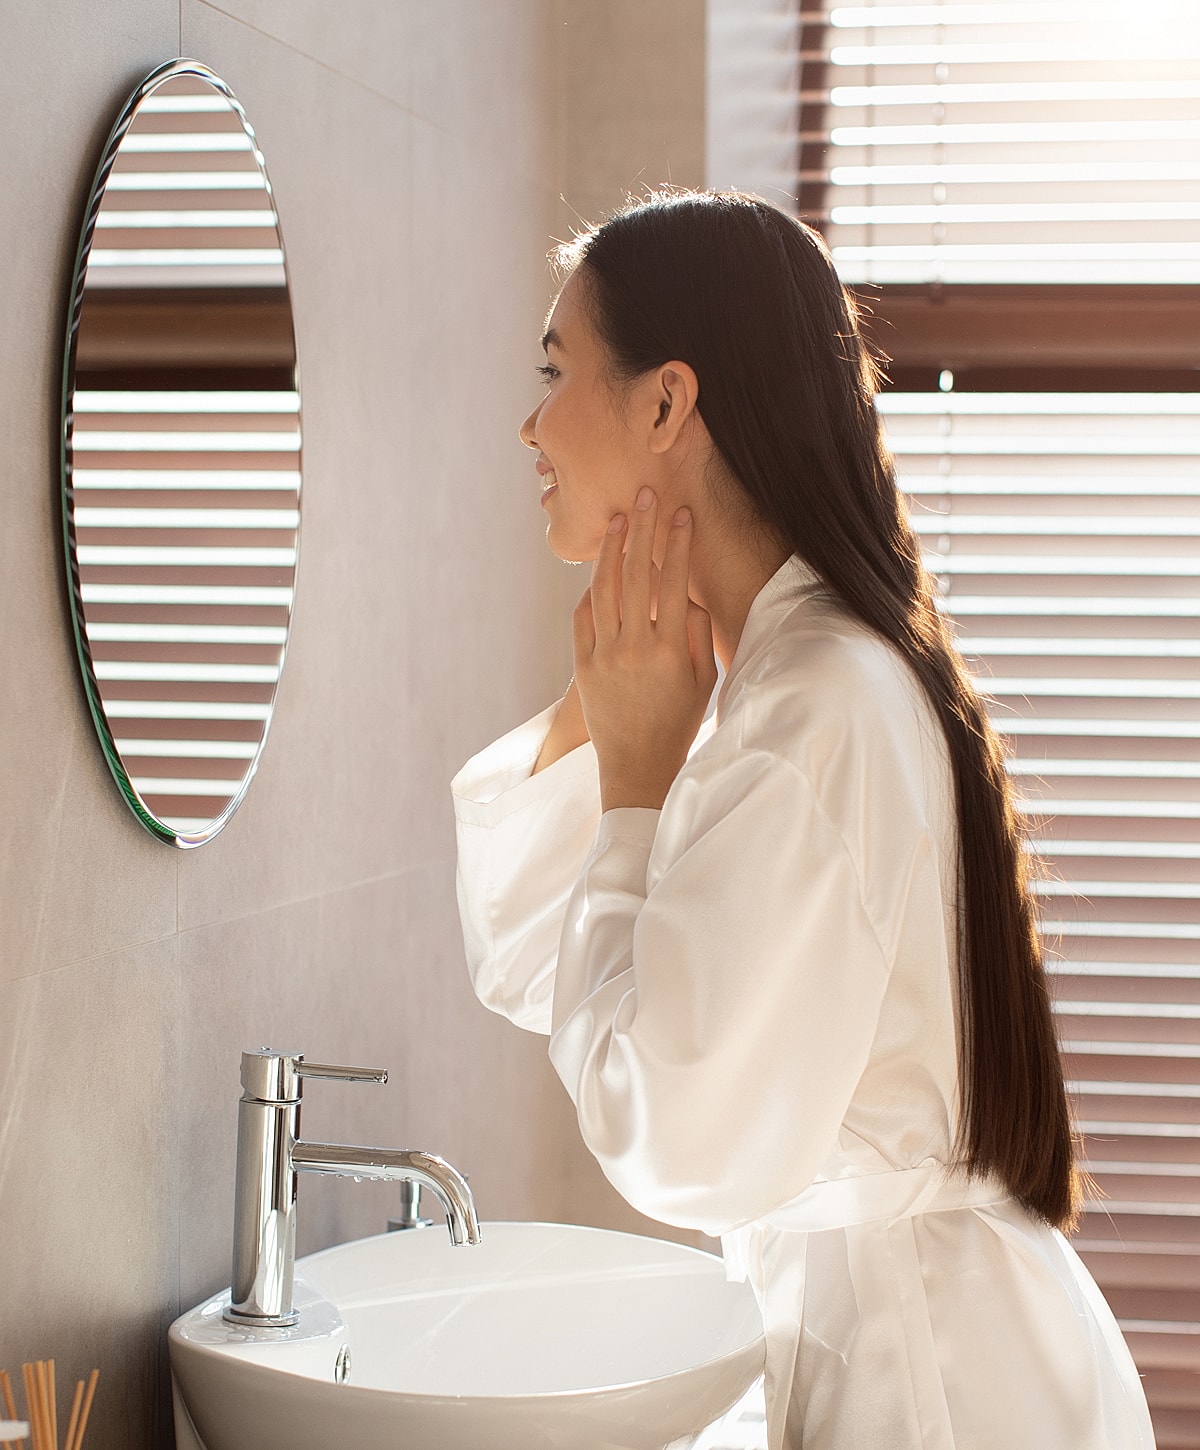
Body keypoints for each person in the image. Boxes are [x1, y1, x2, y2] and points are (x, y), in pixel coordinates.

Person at [451, 189, 1155, 1449]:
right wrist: (606, 704)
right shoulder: (766, 682)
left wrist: (634, 785)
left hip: (931, 1380)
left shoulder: (816, 700)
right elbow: (530, 961)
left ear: (667, 403)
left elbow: (678, 1131)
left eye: (557, 371)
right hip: (909, 1343)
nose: (528, 424)